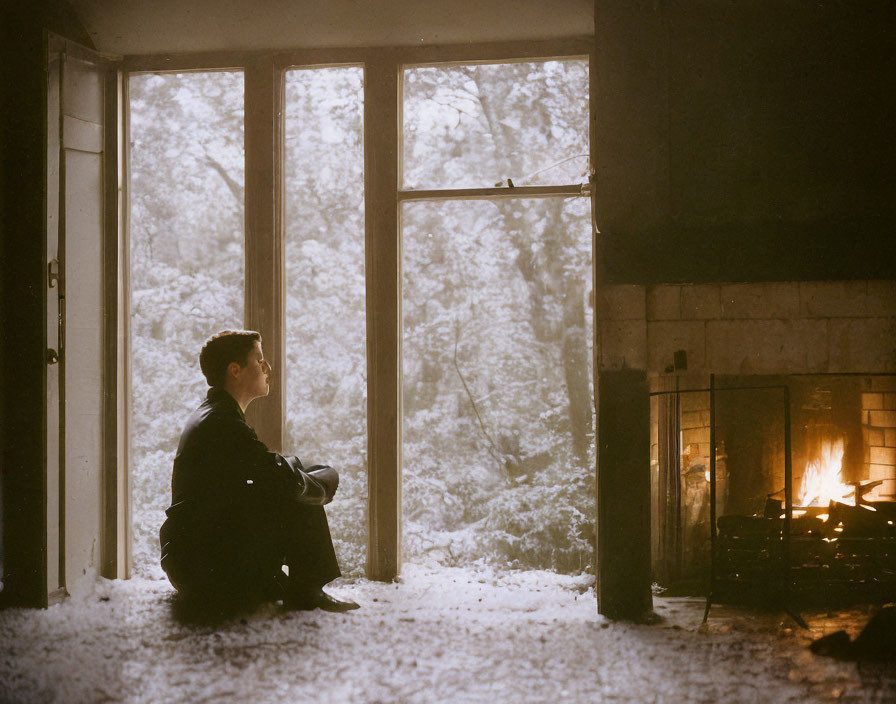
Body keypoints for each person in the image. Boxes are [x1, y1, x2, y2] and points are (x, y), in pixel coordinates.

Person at [159, 329, 359, 614]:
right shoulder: (221, 422)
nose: (268, 368)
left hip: (193, 559)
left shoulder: (217, 413)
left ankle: (289, 585)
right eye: (259, 360)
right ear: (235, 370)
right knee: (292, 485)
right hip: (200, 567)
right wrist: (323, 485)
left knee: (292, 476)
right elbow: (279, 477)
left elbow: (264, 472)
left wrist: (308, 476)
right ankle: (307, 591)